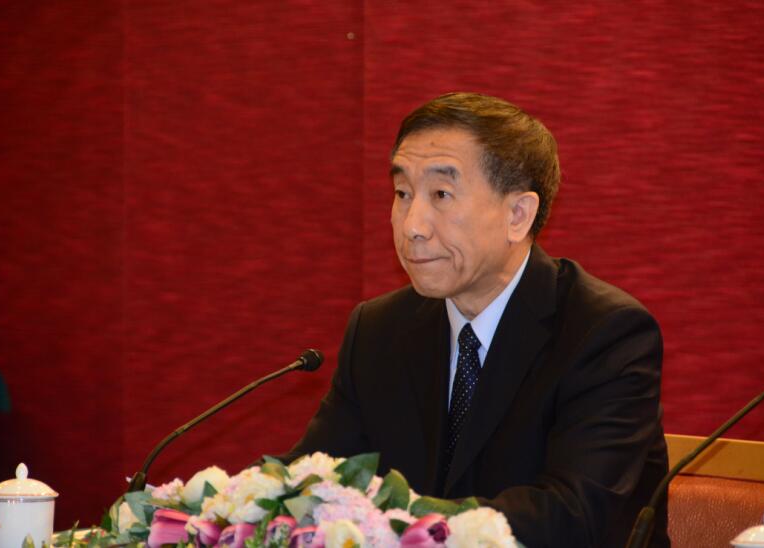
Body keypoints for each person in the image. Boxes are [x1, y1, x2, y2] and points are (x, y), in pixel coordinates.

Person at [282, 92, 669, 547]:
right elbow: (314, 477)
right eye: (403, 193)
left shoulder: (603, 333)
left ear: (517, 215)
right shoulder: (378, 330)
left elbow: (572, 516)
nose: (412, 225)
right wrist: (238, 505)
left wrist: (402, 527)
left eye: (441, 195)